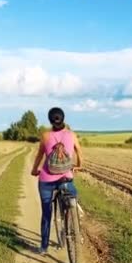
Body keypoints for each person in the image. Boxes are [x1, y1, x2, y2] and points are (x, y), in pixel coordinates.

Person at [30, 107, 83, 255]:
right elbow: (79, 151)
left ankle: (44, 247)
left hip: (46, 180)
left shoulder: (45, 136)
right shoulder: (71, 135)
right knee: (72, 196)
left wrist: (34, 170)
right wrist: (79, 165)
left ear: (50, 120)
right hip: (66, 177)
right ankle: (73, 218)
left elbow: (40, 156)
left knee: (47, 213)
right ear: (63, 118)